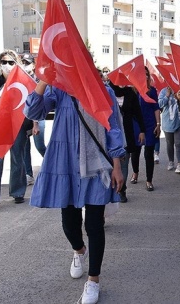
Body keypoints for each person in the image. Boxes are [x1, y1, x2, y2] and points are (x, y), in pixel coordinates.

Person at [24, 76, 125, 303]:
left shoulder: (103, 90)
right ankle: (79, 250)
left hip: (97, 164)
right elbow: (33, 112)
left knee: (94, 224)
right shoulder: (59, 89)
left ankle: (93, 280)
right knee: (69, 223)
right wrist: (43, 78)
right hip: (66, 163)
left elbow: (113, 126)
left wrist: (117, 164)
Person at [0, 50, 29, 210]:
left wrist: (33, 125)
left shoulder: (21, 81)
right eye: (4, 62)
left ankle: (18, 192)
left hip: (16, 125)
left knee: (17, 158)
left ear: (16, 63)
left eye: (11, 62)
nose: (7, 65)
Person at [108, 82, 146, 203]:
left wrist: (142, 130)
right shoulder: (108, 91)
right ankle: (110, 190)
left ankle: (122, 190)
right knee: (111, 163)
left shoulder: (131, 93)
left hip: (127, 131)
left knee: (124, 162)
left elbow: (138, 112)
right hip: (111, 131)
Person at [130, 67, 161, 191]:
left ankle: (149, 180)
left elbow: (156, 108)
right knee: (135, 152)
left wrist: (158, 124)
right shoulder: (132, 91)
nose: (146, 77)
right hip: (136, 126)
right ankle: (135, 173)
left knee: (149, 154)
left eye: (147, 75)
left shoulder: (152, 91)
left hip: (149, 126)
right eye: (143, 75)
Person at [21, 53, 47, 185]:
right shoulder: (20, 78)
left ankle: (50, 163)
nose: (25, 65)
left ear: (33, 64)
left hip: (37, 118)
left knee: (40, 146)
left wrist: (35, 124)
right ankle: (28, 174)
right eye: (23, 62)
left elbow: (38, 104)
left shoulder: (38, 79)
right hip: (25, 118)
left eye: (28, 62)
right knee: (25, 148)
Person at [158, 87, 180, 174]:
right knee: (170, 143)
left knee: (179, 143)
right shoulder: (164, 91)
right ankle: (171, 161)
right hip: (168, 122)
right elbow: (159, 104)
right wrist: (167, 95)